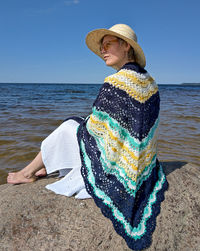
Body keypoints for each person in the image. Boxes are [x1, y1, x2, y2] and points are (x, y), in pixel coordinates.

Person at [7, 24, 168, 250]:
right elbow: (136, 131)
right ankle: (48, 164)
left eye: (109, 44)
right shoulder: (150, 83)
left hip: (115, 162)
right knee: (75, 122)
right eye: (102, 46)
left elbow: (95, 129)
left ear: (126, 46)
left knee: (67, 128)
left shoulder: (116, 82)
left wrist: (83, 124)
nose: (103, 50)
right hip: (139, 163)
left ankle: (28, 172)